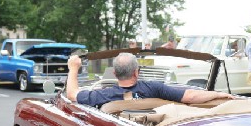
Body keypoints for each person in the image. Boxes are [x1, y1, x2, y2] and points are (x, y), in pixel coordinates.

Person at [66, 52, 234, 107]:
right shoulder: (153, 88)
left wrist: (73, 68)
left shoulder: (104, 95)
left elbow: (72, 94)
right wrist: (217, 94)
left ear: (115, 74)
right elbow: (190, 96)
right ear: (136, 72)